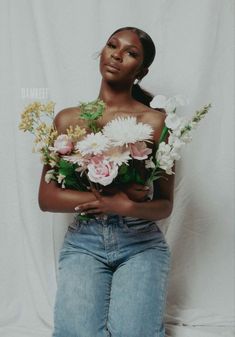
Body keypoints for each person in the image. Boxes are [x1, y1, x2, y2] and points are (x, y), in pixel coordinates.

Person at [38, 26, 174, 337]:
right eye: (113, 45)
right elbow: (47, 198)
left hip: (140, 245)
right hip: (83, 242)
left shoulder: (155, 123)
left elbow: (165, 205)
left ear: (142, 70)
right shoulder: (67, 119)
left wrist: (126, 206)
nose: (117, 54)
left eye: (131, 53)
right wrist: (109, 202)